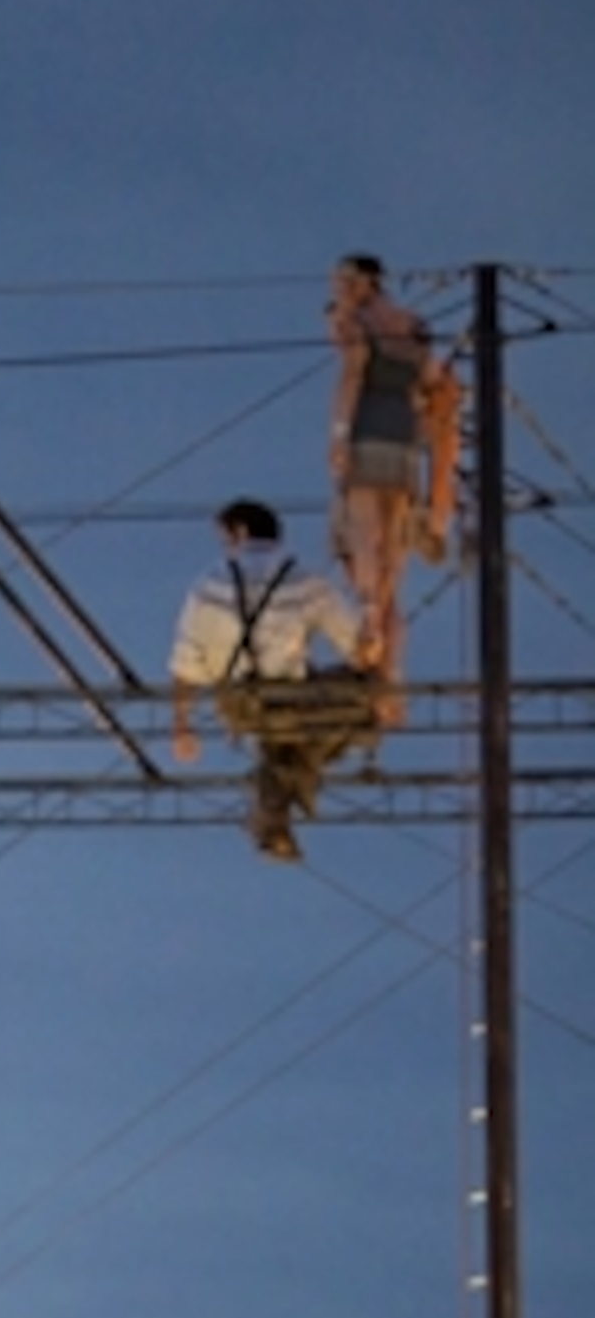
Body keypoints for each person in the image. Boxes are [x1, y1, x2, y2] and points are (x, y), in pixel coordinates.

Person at [169, 500, 377, 863]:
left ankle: (275, 804)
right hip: (295, 700)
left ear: (240, 533)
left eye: (226, 539)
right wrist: (373, 614)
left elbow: (186, 663)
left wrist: (182, 725)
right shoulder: (307, 581)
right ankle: (279, 794)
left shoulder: (208, 584)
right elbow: (359, 652)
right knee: (366, 704)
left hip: (238, 702)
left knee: (283, 742)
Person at [327, 255, 460, 713]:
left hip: (366, 434)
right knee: (394, 548)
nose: (339, 290)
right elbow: (433, 382)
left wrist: (339, 435)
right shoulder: (414, 326)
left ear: (365, 281)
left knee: (365, 536)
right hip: (406, 444)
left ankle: (370, 619)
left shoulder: (356, 323)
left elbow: (352, 375)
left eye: (343, 281)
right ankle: (388, 658)